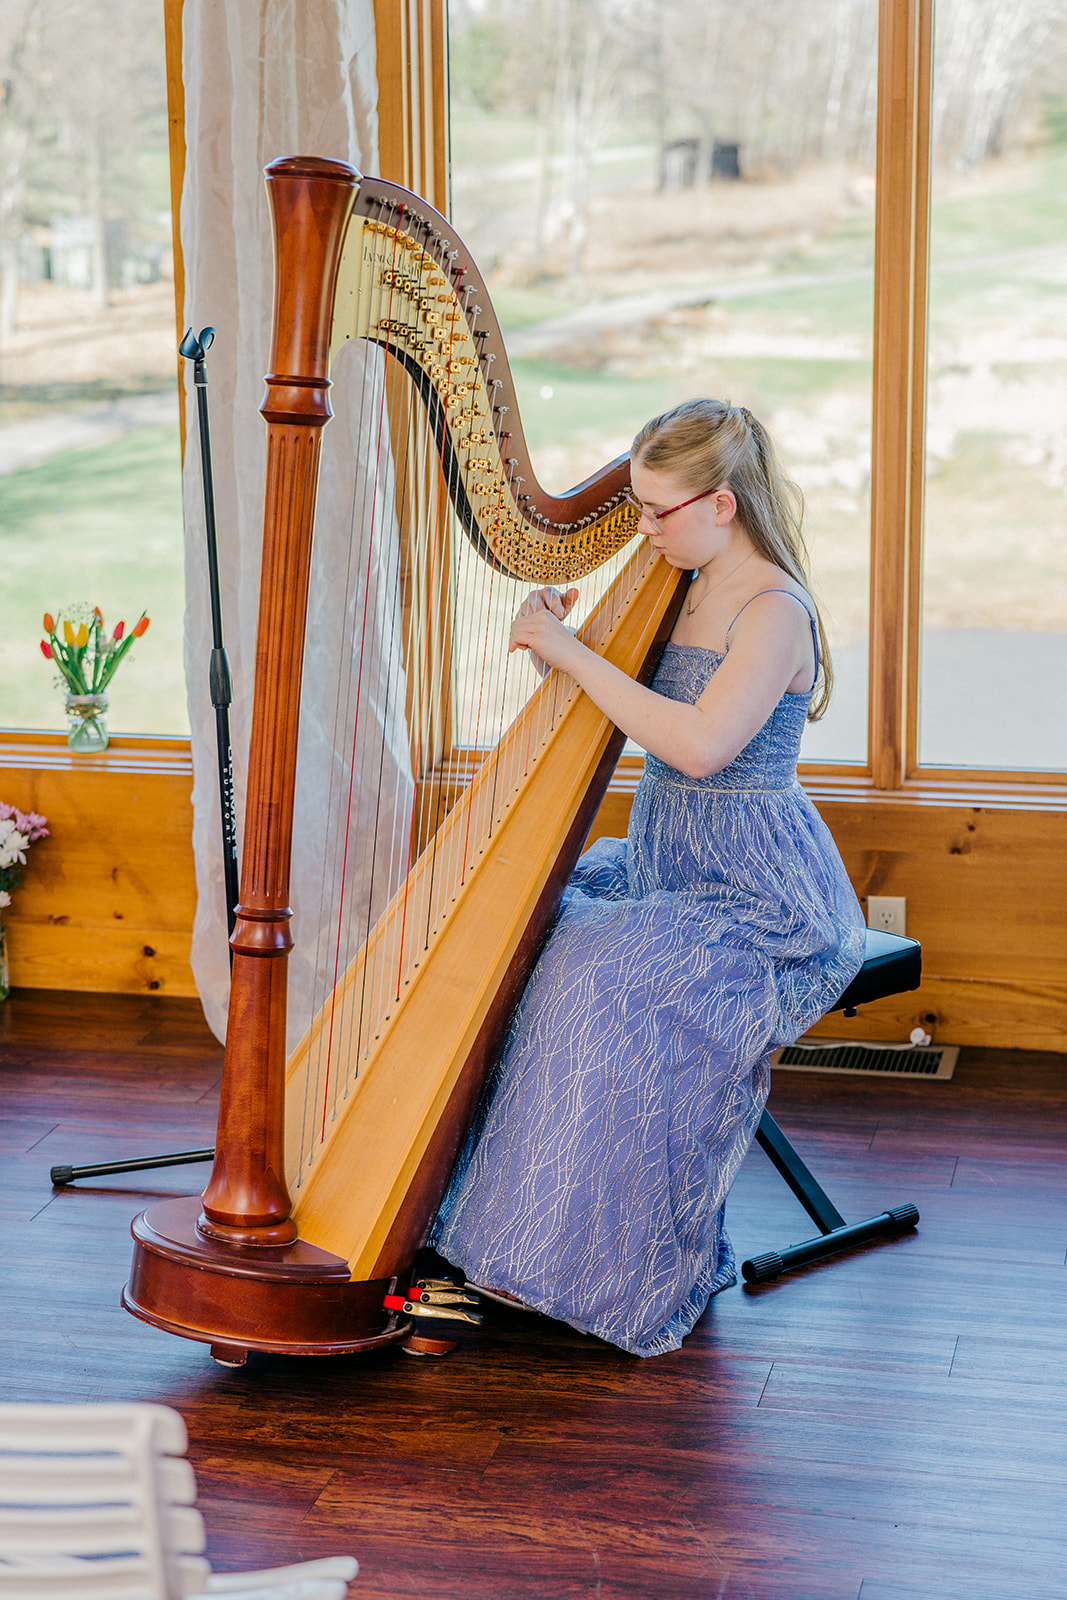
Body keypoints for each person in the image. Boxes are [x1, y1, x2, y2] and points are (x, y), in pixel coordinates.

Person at [430, 398, 866, 1357]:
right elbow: (617, 697)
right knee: (539, 937)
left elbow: (701, 747)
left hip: (755, 891)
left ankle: (594, 1265)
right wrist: (556, 626)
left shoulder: (772, 609)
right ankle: (504, 1233)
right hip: (666, 861)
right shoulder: (681, 572)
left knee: (597, 979)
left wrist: (572, 654)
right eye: (632, 506)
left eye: (655, 511)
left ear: (720, 505)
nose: (640, 528)